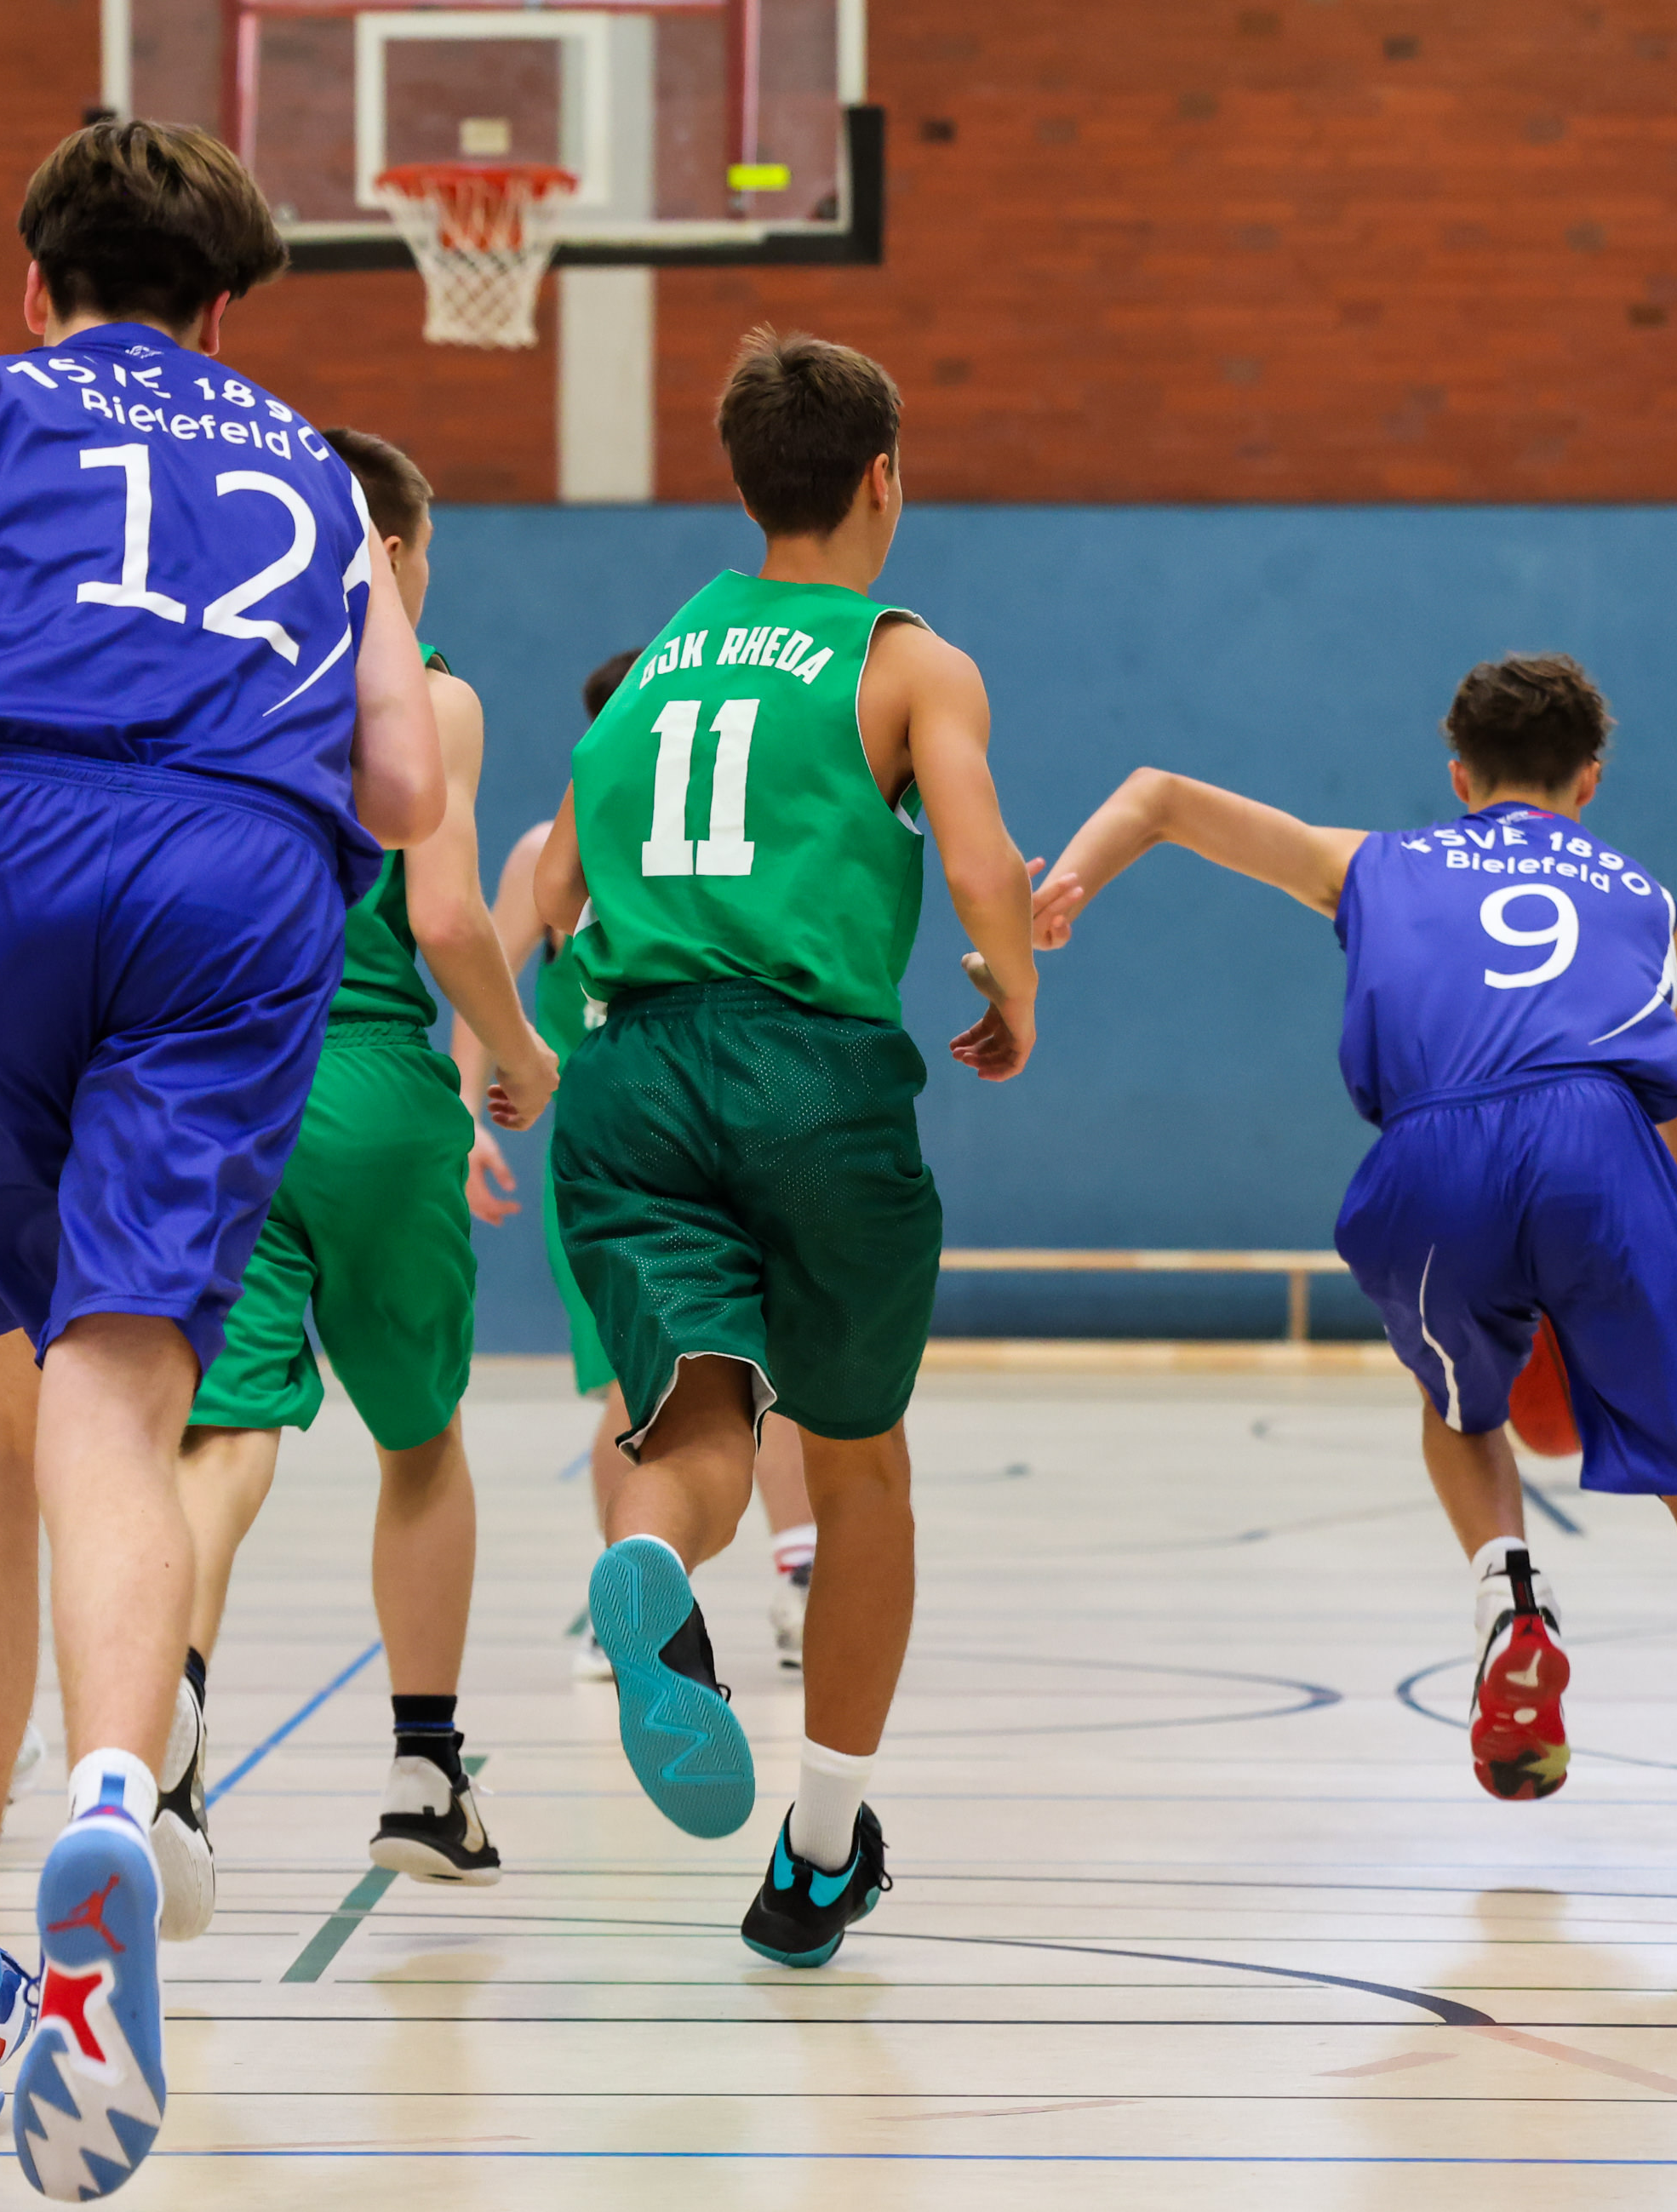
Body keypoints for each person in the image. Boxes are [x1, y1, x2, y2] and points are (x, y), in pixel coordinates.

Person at [0, 119, 444, 2200]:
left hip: (4, 848)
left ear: (33, 285)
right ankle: (119, 1803)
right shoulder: (313, 472)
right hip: (244, 878)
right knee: (123, 1394)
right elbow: (405, 785)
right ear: (223, 313)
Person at [1023, 651, 1677, 1905]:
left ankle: (1509, 1592)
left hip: (1432, 1159)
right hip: (1605, 1153)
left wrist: (1066, 884)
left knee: (1459, 1405)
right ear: (1589, 781)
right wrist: (1590, 1269)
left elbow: (1161, 794)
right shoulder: (1653, 904)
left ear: (1459, 776)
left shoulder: (1374, 861)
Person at [530, 328, 1043, 1969]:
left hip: (627, 1075)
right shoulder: (905, 658)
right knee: (858, 1455)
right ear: (883, 476)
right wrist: (1011, 985)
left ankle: (643, 1556)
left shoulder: (661, 656)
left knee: (695, 1421)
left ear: (746, 483)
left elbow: (549, 886)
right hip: (805, 1075)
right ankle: (820, 1852)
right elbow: (981, 864)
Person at [168, 428, 558, 1908]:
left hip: (213, 1083)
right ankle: (425, 1772)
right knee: (421, 1437)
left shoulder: (203, 688)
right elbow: (448, 915)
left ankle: (170, 1718)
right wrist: (517, 1052)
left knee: (219, 1436)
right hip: (373, 1078)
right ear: (389, 555)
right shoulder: (431, 693)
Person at [482, 650, 820, 1679]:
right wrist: (466, 1103)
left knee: (753, 1371)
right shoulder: (559, 850)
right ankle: (628, 1595)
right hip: (631, 1138)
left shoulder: (695, 843)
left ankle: (794, 1573)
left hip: (685, 1125)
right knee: (655, 1387)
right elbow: (479, 966)